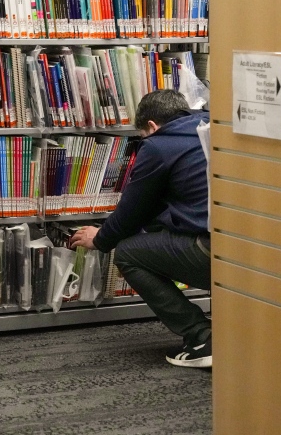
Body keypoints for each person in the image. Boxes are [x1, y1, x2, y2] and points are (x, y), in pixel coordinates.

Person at [70, 89, 212, 369]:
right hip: (252, 252)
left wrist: (100, 239)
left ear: (152, 126)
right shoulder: (209, 124)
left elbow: (131, 212)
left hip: (213, 254)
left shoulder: (158, 145)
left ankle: (201, 337)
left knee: (127, 252)